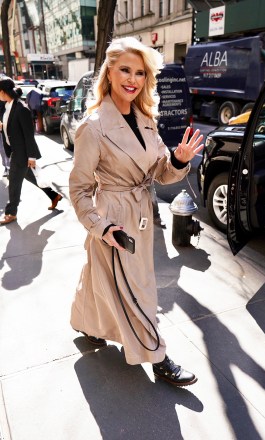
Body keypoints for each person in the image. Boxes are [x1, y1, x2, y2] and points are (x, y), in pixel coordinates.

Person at [69, 37, 204, 387]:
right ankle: (158, 357)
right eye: (125, 70)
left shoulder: (145, 119)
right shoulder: (93, 127)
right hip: (114, 219)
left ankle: (88, 323)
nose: (132, 79)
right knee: (137, 289)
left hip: (144, 215)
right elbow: (80, 190)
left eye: (140, 73)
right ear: (109, 72)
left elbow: (159, 171)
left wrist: (177, 160)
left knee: (104, 277)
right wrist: (102, 228)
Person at [0, 78, 62, 225]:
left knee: (14, 181)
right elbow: (13, 128)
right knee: (32, 178)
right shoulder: (8, 107)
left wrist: (32, 157)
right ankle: (54, 195)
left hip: (22, 153)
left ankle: (11, 213)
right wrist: (3, 127)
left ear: (3, 92)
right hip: (15, 151)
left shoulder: (22, 109)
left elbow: (29, 134)